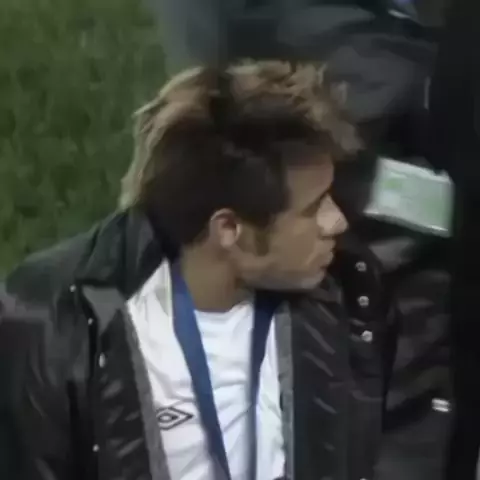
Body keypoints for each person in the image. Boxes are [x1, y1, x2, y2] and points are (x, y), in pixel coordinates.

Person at [0, 60, 386, 480]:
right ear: (229, 229)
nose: (337, 221)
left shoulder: (347, 291)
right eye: (312, 209)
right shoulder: (62, 328)